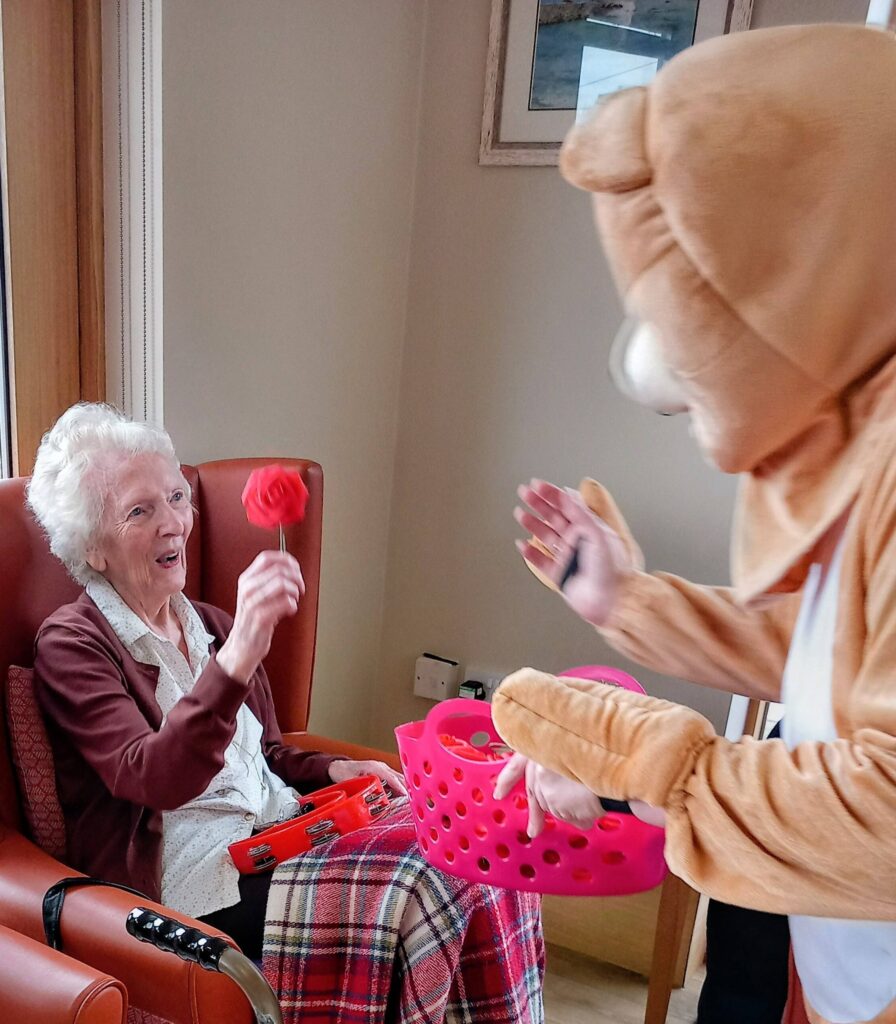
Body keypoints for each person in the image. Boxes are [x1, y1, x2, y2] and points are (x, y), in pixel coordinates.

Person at [492, 23, 896, 1024]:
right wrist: (628, 602)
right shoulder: (868, 435)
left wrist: (641, 761)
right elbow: (830, 649)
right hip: (831, 954)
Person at [28, 402, 405, 960]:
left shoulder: (211, 626)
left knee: (450, 858)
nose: (173, 523)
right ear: (92, 548)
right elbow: (151, 777)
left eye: (176, 497)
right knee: (403, 898)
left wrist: (333, 770)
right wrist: (240, 656)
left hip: (281, 833)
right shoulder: (72, 645)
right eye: (140, 511)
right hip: (194, 883)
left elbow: (265, 755)